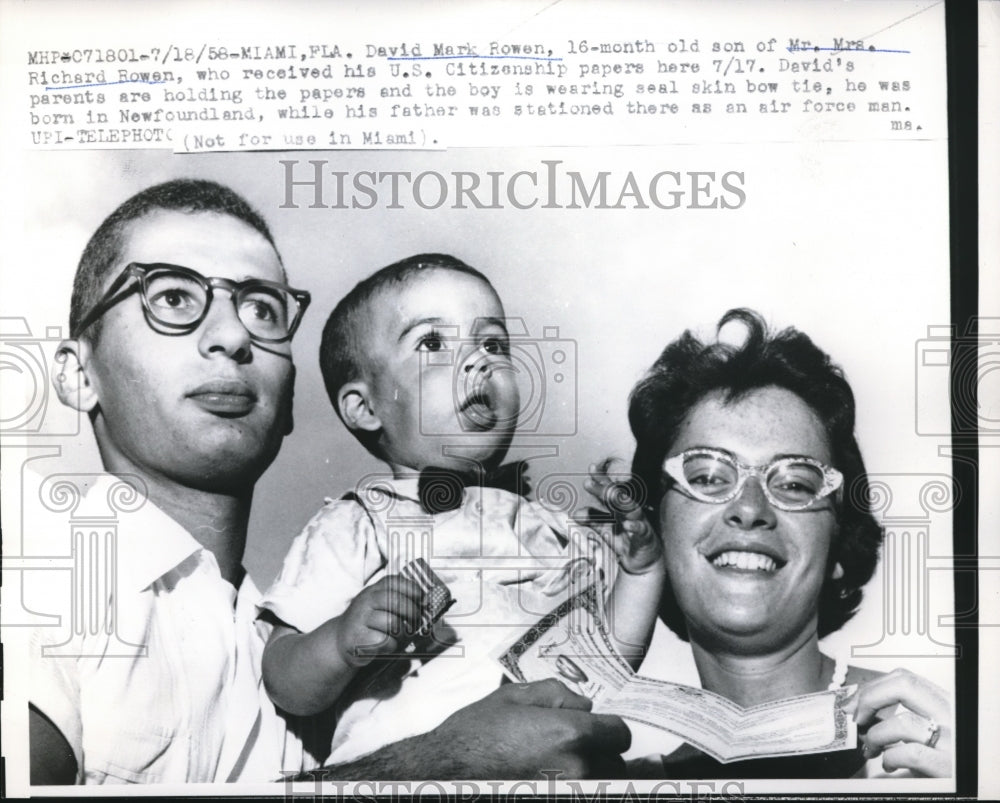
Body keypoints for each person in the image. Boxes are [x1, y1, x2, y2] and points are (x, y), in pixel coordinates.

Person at [28, 181, 631, 784]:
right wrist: (434, 768)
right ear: (79, 374)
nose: (234, 336)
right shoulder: (38, 565)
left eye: (262, 308)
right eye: (174, 297)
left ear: (289, 399)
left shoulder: (298, 633)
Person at [258, 254, 662, 765]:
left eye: (493, 344)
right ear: (366, 407)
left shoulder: (555, 533)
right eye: (432, 344)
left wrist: (641, 572)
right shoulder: (357, 524)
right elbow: (285, 681)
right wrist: (340, 643)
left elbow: (604, 665)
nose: (479, 361)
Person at [596, 308, 952, 779]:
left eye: (795, 484)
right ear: (657, 528)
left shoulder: (946, 738)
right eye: (706, 476)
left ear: (840, 548)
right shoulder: (621, 782)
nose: (749, 507)